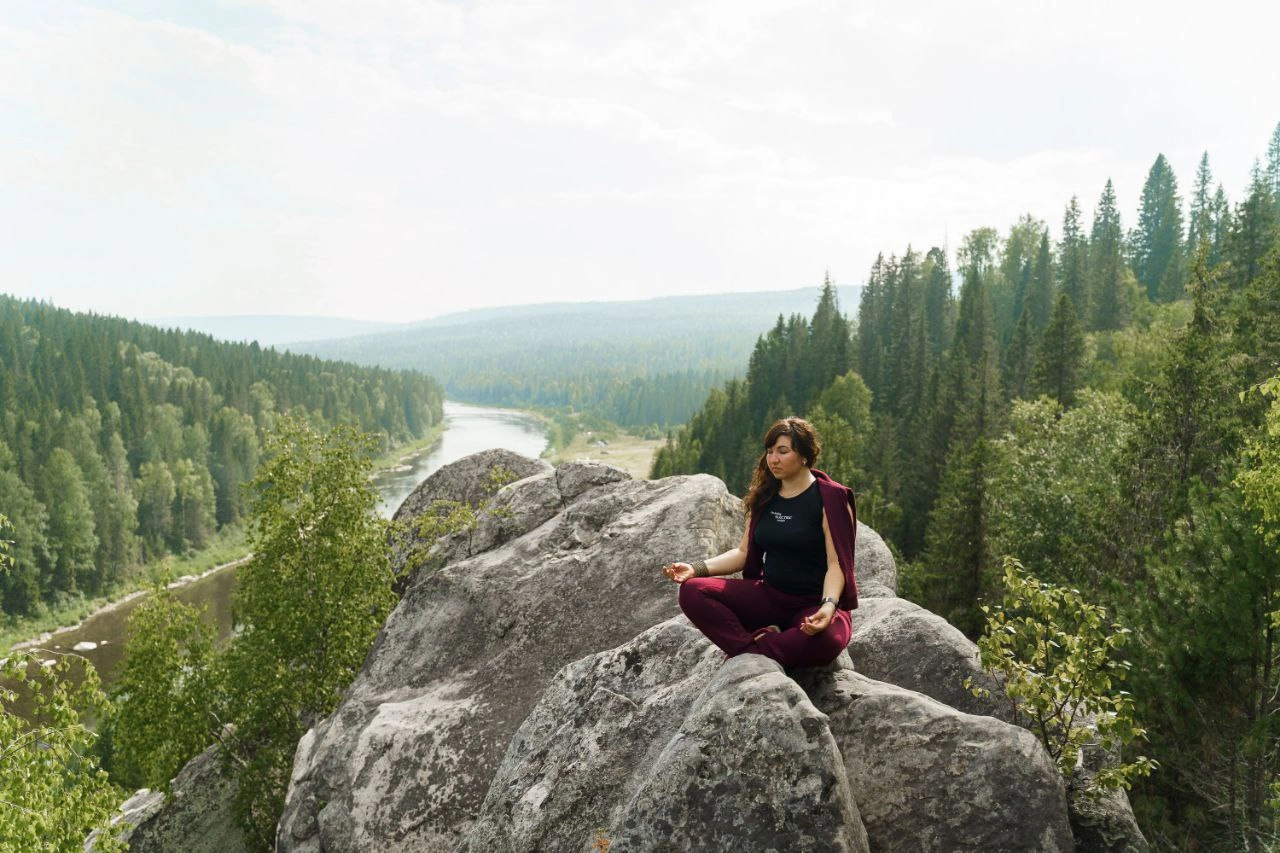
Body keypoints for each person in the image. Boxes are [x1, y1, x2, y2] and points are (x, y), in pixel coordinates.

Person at [662, 416, 857, 667]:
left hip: (813, 603)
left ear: (805, 456)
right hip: (769, 597)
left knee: (828, 639)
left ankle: (753, 647)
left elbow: (836, 564)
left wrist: (828, 606)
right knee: (692, 591)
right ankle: (758, 648)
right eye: (769, 451)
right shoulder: (765, 497)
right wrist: (695, 568)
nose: (773, 459)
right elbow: (743, 553)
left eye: (783, 451)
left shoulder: (830, 499)